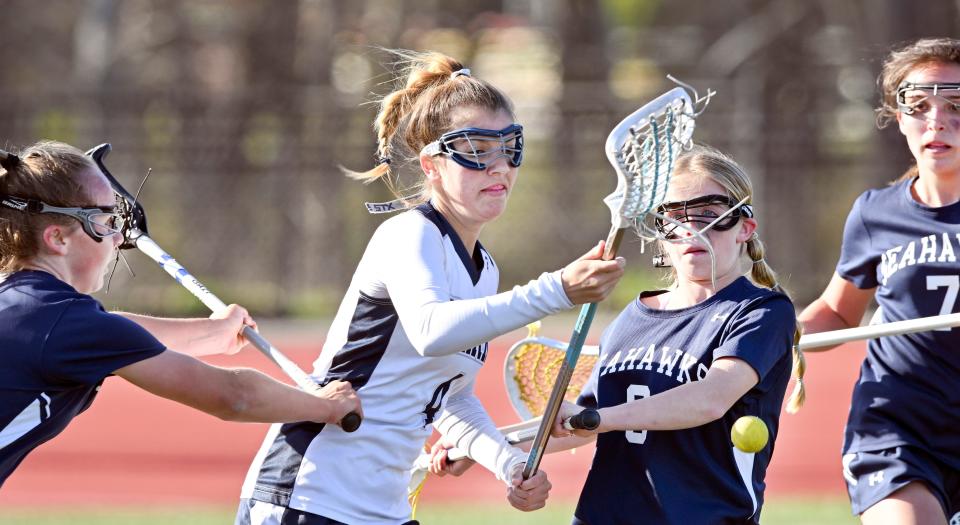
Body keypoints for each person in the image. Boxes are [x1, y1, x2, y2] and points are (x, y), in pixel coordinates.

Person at [236, 50, 625, 525]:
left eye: (510, 148)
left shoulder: (485, 270)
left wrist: (505, 462)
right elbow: (429, 330)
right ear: (432, 164)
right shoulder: (410, 234)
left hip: (384, 509)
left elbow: (448, 395)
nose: (499, 167)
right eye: (477, 151)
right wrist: (558, 289)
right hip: (311, 495)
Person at [0, 141, 361, 488]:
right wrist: (324, 406)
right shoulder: (68, 325)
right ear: (57, 238)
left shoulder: (32, 308)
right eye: (104, 221)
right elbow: (233, 395)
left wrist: (214, 332)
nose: (116, 238)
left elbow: (115, 333)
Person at [545, 145, 806, 524]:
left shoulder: (762, 311)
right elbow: (577, 423)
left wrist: (598, 419)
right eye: (675, 218)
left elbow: (710, 399)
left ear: (744, 229)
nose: (691, 230)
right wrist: (485, 449)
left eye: (709, 216)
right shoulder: (627, 321)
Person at [798, 37, 960, 525]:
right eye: (919, 105)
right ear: (898, 117)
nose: (937, 120)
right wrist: (775, 330)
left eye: (956, 104)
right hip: (899, 425)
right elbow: (838, 313)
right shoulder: (875, 213)